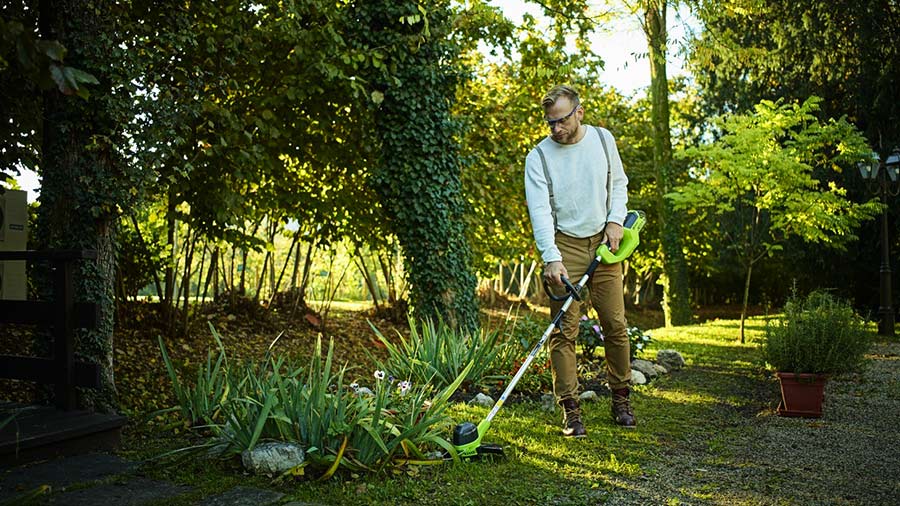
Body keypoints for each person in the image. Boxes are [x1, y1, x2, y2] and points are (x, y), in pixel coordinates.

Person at [524, 84, 635, 437]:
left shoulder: (603, 141)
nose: (555, 129)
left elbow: (618, 184)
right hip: (564, 247)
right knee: (563, 331)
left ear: (579, 113)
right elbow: (540, 211)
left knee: (615, 325)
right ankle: (570, 410)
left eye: (561, 121)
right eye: (550, 123)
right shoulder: (538, 157)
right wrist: (551, 258)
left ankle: (621, 400)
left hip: (605, 243)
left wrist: (616, 221)